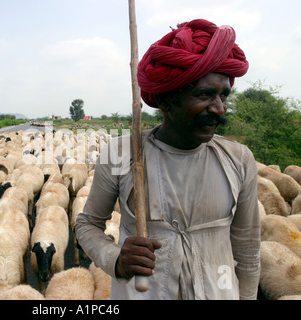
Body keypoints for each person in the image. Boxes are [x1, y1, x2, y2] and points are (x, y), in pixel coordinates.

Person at [74, 19, 261, 300]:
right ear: (165, 101)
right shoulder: (122, 154)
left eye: (224, 96)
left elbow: (247, 250)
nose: (219, 109)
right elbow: (87, 224)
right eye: (205, 95)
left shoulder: (238, 160)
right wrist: (115, 259)